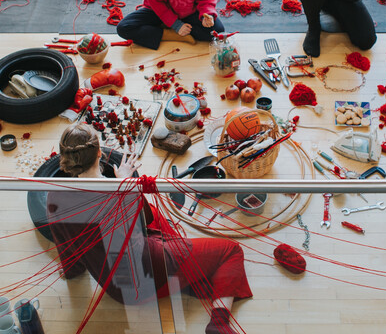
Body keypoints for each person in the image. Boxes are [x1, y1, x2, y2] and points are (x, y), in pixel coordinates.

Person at [46, 125, 252, 334]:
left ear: (66, 159)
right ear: (100, 152)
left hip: (115, 287)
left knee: (153, 212)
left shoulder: (54, 198)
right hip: (147, 276)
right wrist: (126, 183)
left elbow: (66, 244)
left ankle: (192, 275)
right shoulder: (122, 194)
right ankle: (218, 323)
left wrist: (73, 271)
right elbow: (143, 219)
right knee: (231, 251)